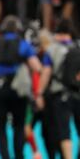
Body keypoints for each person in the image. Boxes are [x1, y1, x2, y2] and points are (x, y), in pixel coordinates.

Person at [0, 15, 42, 159]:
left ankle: (5, 156)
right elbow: (36, 66)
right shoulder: (22, 44)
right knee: (18, 126)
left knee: (0, 128)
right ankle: (19, 156)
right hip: (18, 90)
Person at [37, 20, 80, 159]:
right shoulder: (78, 46)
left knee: (64, 132)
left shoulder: (52, 49)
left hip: (60, 95)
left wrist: (39, 94)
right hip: (78, 94)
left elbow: (46, 73)